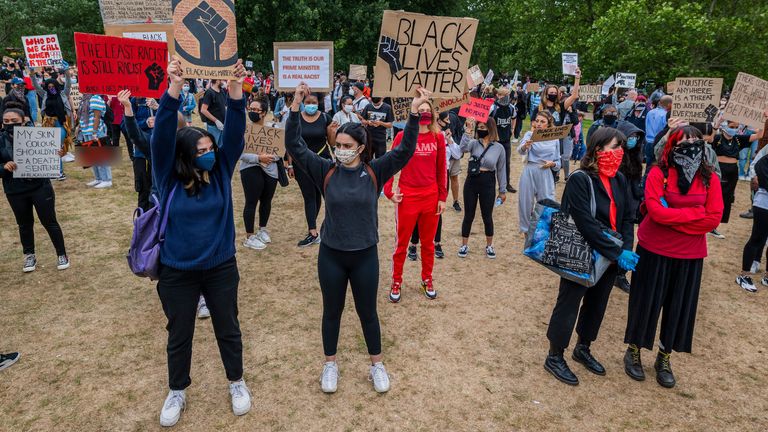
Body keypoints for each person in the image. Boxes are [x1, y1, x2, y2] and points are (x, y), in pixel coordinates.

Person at [285, 81, 423, 394]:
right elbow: (295, 146)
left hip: (364, 256)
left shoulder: (375, 171)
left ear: (360, 147)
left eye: (347, 145)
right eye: (339, 144)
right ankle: (330, 364)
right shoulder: (325, 170)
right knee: (331, 311)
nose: (341, 150)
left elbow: (404, 151)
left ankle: (377, 365)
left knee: (368, 313)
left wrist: (413, 115)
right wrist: (294, 106)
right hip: (331, 255)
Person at [151, 57, 251, 427]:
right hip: (177, 270)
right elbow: (161, 134)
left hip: (221, 267)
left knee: (228, 327)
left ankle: (236, 382)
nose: (210, 152)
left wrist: (236, 91)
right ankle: (177, 390)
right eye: (202, 149)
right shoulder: (168, 177)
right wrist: (173, 88)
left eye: (212, 147)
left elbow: (237, 132)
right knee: (180, 334)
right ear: (184, 156)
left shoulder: (222, 170)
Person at [623, 126, 723, 389]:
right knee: (646, 303)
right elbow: (655, 212)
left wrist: (675, 220)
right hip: (654, 249)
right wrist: (694, 214)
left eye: (695, 140)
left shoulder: (709, 178)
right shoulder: (659, 172)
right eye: (684, 140)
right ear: (672, 145)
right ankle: (634, 350)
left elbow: (713, 218)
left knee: (678, 307)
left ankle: (664, 357)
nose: (691, 144)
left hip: (690, 255)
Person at [544, 127, 637, 386]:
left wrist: (625, 249)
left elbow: (627, 217)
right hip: (581, 252)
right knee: (569, 303)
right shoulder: (580, 179)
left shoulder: (619, 179)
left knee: (597, 304)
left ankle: (583, 347)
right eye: (614, 147)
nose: (619, 153)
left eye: (621, 148)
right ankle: (554, 355)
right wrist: (617, 252)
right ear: (598, 150)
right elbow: (585, 223)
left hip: (610, 256)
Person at [384, 99, 446, 302]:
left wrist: (442, 197)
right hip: (408, 196)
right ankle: (396, 280)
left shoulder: (438, 137)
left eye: (428, 110)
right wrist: (389, 191)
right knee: (401, 244)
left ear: (433, 113)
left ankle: (427, 278)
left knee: (428, 244)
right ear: (414, 113)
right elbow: (390, 163)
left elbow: (441, 169)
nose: (425, 113)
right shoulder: (403, 136)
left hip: (430, 196)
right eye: (421, 110)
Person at [1, 107, 70, 272]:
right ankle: (29, 255)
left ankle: (62, 254)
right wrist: (4, 167)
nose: (10, 124)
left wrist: (58, 153)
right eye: (6, 121)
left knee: (49, 221)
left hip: (40, 186)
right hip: (15, 190)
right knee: (24, 224)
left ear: (23, 120)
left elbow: (50, 154)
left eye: (14, 121)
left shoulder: (38, 136)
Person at [286, 91, 335, 247]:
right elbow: (291, 143)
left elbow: (332, 143)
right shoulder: (296, 118)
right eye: (307, 102)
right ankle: (312, 232)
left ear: (318, 102)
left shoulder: (325, 117)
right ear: (303, 102)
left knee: (318, 195)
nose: (311, 105)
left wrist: (333, 131)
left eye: (313, 102)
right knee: (308, 196)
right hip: (303, 164)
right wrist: (291, 164)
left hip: (322, 161)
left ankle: (314, 225)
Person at [457, 116, 507, 258]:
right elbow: (462, 148)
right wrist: (468, 130)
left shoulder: (499, 148)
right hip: (472, 181)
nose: (481, 130)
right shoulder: (473, 143)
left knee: (487, 216)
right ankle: (464, 245)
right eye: (479, 128)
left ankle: (489, 246)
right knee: (469, 215)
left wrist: (502, 190)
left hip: (488, 182)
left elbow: (502, 170)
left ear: (491, 129)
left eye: (484, 128)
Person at [709, 120, 765, 238]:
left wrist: (761, 123)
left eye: (736, 126)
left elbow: (760, 135)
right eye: (731, 126)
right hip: (720, 170)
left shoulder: (738, 139)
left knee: (727, 198)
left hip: (733, 171)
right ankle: (709, 223)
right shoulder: (718, 138)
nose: (733, 129)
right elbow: (710, 139)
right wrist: (717, 124)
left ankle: (715, 226)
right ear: (725, 126)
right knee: (715, 196)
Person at [239, 99, 280, 251]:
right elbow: (240, 154)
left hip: (270, 169)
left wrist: (269, 157)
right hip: (250, 168)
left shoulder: (273, 128)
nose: (253, 112)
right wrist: (257, 158)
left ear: (263, 113)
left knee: (266, 201)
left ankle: (262, 229)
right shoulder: (244, 129)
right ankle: (250, 236)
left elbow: (279, 151)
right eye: (251, 109)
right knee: (251, 201)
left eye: (256, 110)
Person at [613, 121, 646, 293]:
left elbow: (635, 185)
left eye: (636, 138)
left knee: (627, 240)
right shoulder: (614, 155)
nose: (633, 140)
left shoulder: (636, 158)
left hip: (629, 208)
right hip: (613, 205)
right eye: (630, 136)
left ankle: (620, 274)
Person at [517, 111, 561, 236]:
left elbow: (558, 162)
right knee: (525, 202)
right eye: (537, 121)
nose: (539, 124)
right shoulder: (529, 134)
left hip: (545, 172)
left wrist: (552, 164)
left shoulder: (554, 138)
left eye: (542, 122)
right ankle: (526, 232)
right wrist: (526, 145)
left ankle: (545, 231)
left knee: (547, 201)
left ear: (548, 124)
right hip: (530, 170)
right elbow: (520, 151)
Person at [737, 153, 768, 293]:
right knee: (757, 239)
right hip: (764, 203)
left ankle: (767, 276)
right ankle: (744, 275)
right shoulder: (765, 159)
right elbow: (760, 168)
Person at [79, 94, 113, 189]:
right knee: (92, 157)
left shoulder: (95, 98)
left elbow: (97, 116)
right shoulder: (85, 98)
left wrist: (94, 132)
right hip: (86, 131)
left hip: (96, 132)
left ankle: (106, 180)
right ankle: (98, 178)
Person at [491, 87, 518, 193]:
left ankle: (507, 184)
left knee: (506, 163)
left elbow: (514, 118)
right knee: (492, 163)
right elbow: (487, 121)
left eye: (507, 95)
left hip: (506, 139)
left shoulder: (511, 107)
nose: (506, 97)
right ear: (498, 96)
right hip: (494, 141)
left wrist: (512, 129)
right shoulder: (493, 107)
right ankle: (492, 184)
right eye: (503, 95)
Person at [644, 95, 672, 163]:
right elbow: (664, 130)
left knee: (649, 165)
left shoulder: (650, 112)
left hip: (648, 142)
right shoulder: (666, 114)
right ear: (669, 104)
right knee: (657, 166)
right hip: (658, 143)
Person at [200, 79, 227, 144]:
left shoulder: (222, 91)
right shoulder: (209, 92)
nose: (223, 82)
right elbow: (203, 110)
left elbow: (224, 106)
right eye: (222, 80)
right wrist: (216, 121)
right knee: (214, 146)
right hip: (213, 126)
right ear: (217, 80)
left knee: (221, 146)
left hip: (223, 124)